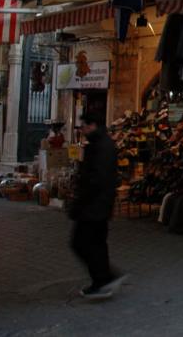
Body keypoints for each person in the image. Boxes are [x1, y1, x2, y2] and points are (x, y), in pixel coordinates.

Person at [68, 112, 125, 300]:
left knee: (81, 243)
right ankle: (105, 279)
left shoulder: (100, 147)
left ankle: (104, 279)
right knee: (97, 243)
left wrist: (79, 202)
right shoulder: (103, 144)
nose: (82, 130)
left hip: (93, 205)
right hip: (100, 204)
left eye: (83, 126)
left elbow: (96, 179)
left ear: (92, 125)